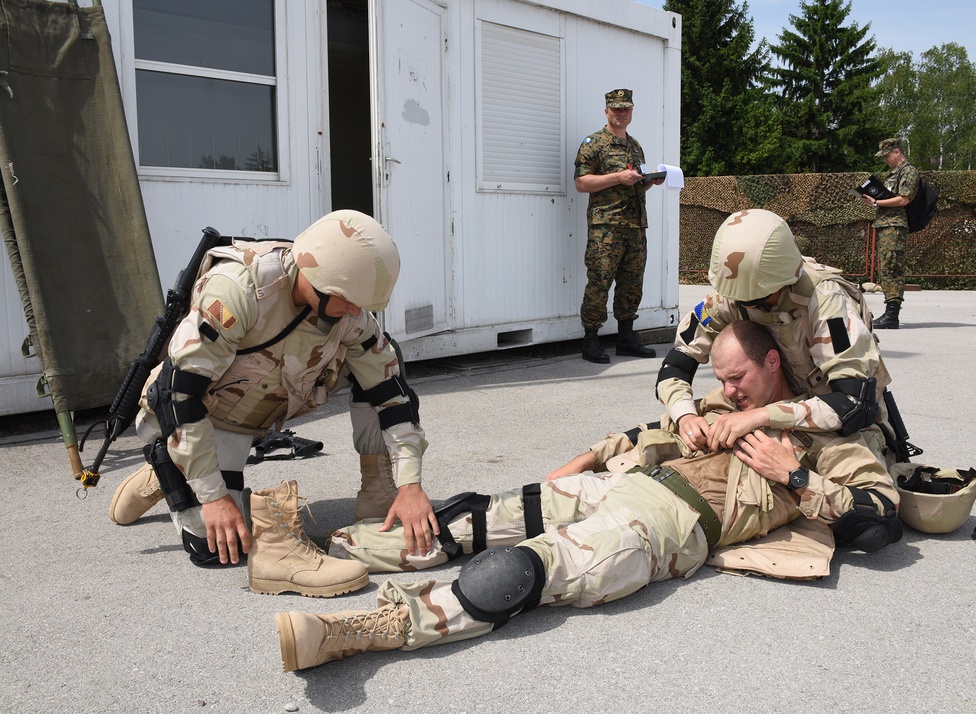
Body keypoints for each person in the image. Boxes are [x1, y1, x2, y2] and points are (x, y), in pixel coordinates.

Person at [272, 321, 900, 671]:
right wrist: (579, 462)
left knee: (532, 567)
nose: (729, 393)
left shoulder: (822, 437)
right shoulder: (713, 406)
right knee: (477, 519)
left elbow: (880, 521)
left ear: (772, 364)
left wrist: (794, 477)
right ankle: (330, 552)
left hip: (671, 524)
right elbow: (643, 433)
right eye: (722, 380)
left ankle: (369, 628)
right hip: (624, 482)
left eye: (737, 379)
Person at [107, 210, 439, 597]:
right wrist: (213, 497)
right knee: (216, 551)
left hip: (260, 411)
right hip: (198, 417)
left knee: (383, 358)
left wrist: (410, 484)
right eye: (348, 302)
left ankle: (377, 487)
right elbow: (178, 394)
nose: (355, 312)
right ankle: (171, 463)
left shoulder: (347, 309)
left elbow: (391, 392)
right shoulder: (238, 291)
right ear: (314, 278)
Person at [655, 208, 897, 462]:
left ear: (784, 280)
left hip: (838, 425)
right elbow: (676, 365)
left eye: (758, 299)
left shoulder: (826, 301)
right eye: (741, 299)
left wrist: (761, 416)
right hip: (773, 415)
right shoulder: (729, 297)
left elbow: (854, 405)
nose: (748, 305)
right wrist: (685, 416)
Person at [574, 88, 665, 364]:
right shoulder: (594, 143)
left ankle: (626, 338)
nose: (621, 113)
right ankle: (591, 341)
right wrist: (617, 177)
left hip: (635, 226)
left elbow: (634, 182)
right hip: (607, 227)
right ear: (606, 111)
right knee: (600, 282)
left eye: (626, 108)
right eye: (616, 108)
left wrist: (649, 181)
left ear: (631, 112)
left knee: (631, 283)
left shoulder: (635, 146)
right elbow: (581, 183)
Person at [863, 138, 920, 330]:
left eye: (887, 155)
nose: (885, 159)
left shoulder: (908, 171)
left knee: (892, 268)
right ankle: (890, 313)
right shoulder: (894, 173)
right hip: (887, 225)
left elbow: (904, 199)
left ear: (897, 151)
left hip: (895, 227)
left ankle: (892, 316)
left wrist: (876, 203)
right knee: (886, 267)